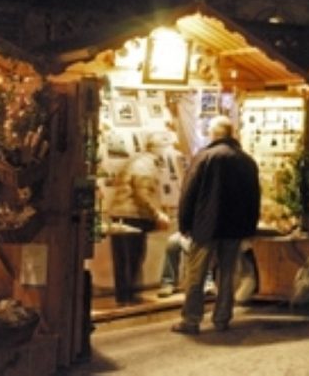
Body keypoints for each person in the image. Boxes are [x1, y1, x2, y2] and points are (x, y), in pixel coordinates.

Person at [172, 117, 260, 335]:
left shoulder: (205, 157)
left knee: (197, 273)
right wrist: (249, 227)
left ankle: (191, 319)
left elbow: (189, 193)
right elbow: (254, 198)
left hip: (205, 225)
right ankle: (222, 318)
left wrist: (184, 223)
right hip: (234, 227)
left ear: (214, 134)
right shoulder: (247, 161)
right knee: (228, 272)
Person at [106, 141, 172, 304]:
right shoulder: (147, 165)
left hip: (118, 213)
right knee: (134, 257)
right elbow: (143, 194)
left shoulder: (135, 161)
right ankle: (130, 297)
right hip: (134, 216)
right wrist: (157, 213)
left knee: (121, 259)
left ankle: (123, 297)